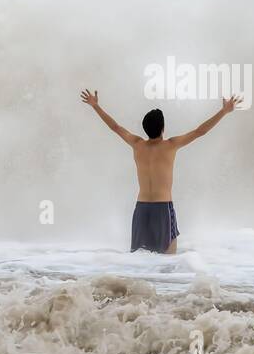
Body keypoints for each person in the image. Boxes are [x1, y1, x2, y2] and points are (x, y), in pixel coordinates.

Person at [80, 89, 242, 254]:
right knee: (168, 259)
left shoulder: (137, 144)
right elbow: (200, 131)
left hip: (141, 209)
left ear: (145, 128)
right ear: (163, 128)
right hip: (162, 208)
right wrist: (224, 111)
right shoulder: (170, 145)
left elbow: (114, 127)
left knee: (139, 261)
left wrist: (95, 106)